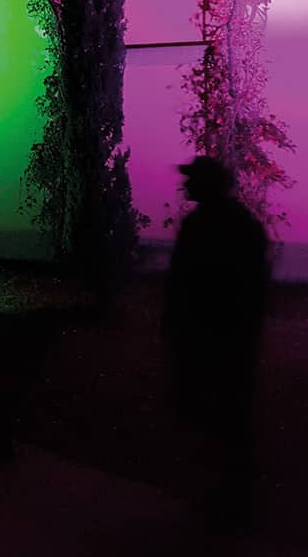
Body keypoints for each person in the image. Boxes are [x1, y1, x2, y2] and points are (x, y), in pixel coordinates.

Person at [163, 155, 270, 533]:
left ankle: (231, 495)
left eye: (192, 179)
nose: (185, 185)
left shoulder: (214, 226)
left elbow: (187, 280)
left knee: (218, 411)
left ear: (208, 185)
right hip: (221, 338)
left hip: (216, 339)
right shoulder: (239, 225)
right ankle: (229, 489)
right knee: (221, 412)